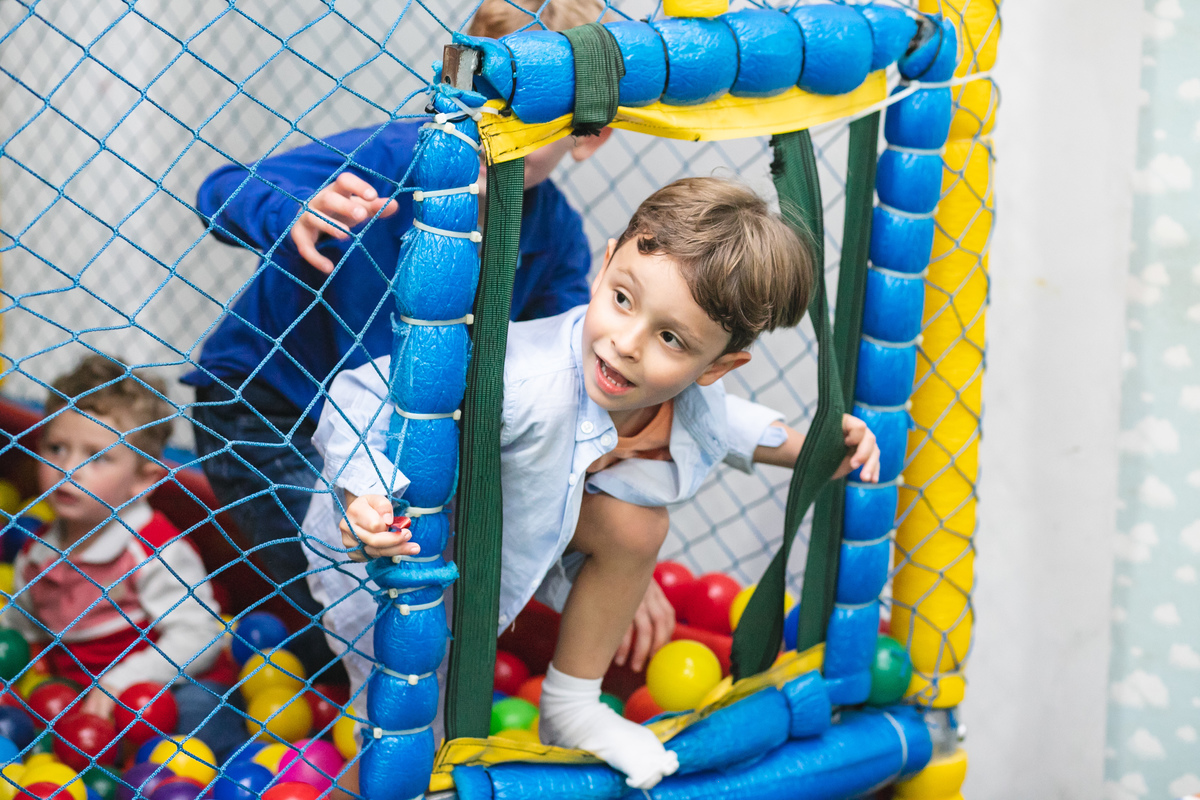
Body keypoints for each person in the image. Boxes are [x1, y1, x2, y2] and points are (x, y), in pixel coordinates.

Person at [309, 178, 881, 789]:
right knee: (411, 734)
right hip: (389, 556)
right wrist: (362, 496)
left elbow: (730, 425)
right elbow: (362, 393)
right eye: (623, 299)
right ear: (604, 266)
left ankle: (571, 705)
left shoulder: (681, 399)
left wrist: (818, 448)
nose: (626, 343)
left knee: (636, 524)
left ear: (716, 367)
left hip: (491, 551)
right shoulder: (523, 378)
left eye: (670, 338)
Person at [185, 0, 622, 680]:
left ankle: (335, 679)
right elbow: (221, 190)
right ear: (453, 89)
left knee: (390, 589)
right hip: (267, 410)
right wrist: (295, 208)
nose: (493, 132)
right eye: (485, 101)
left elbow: (563, 367)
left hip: (377, 432)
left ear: (587, 137)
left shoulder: (553, 234)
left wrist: (610, 545)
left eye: (528, 119)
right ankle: (329, 684)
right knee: (350, 588)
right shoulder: (390, 157)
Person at [4, 355, 225, 722]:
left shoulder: (154, 550)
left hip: (156, 690)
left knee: (198, 709)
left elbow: (201, 636)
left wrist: (123, 681)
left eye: (97, 457)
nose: (68, 470)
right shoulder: (35, 553)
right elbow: (19, 632)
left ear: (142, 480)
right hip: (75, 705)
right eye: (56, 448)